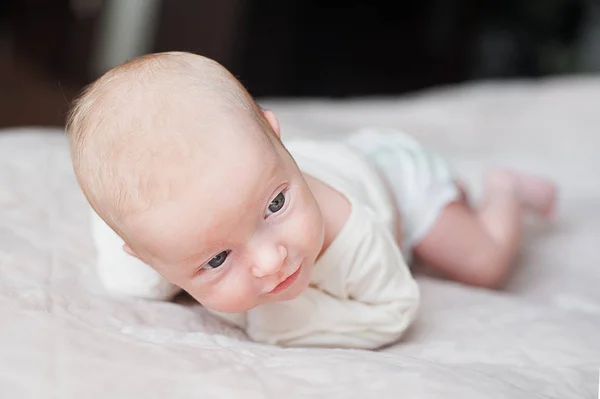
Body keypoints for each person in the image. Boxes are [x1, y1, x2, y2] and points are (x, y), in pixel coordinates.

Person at [67, 52, 557, 349]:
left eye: (276, 205)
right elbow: (124, 242)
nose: (271, 260)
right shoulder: (171, 228)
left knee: (483, 262)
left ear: (277, 139)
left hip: (395, 180)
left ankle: (502, 188)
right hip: (333, 161)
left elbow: (394, 309)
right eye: (216, 259)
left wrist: (274, 321)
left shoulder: (349, 230)